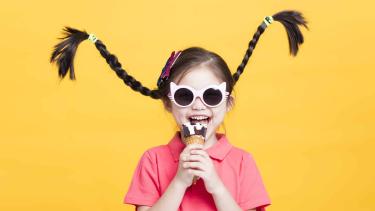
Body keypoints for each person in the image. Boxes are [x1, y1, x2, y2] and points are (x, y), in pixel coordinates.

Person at [50, 10, 308, 211]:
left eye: (211, 95)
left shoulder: (242, 163)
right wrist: (180, 181)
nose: (198, 105)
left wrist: (217, 186)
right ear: (168, 103)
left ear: (227, 103)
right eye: (185, 96)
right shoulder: (153, 161)